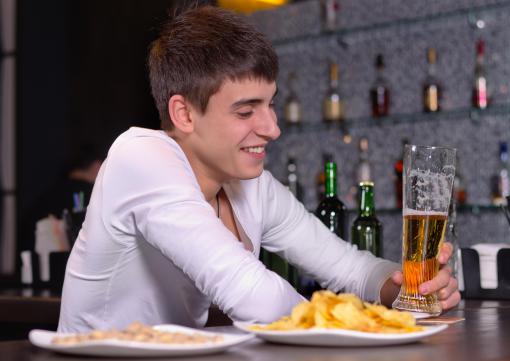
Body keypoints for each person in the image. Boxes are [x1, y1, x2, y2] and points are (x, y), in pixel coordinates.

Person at [57, 6, 460, 333]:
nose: (272, 129)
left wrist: (403, 288)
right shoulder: (140, 157)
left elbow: (351, 268)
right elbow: (255, 298)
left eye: (270, 105)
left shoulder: (251, 187)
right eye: (246, 110)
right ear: (183, 113)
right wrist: (361, 323)